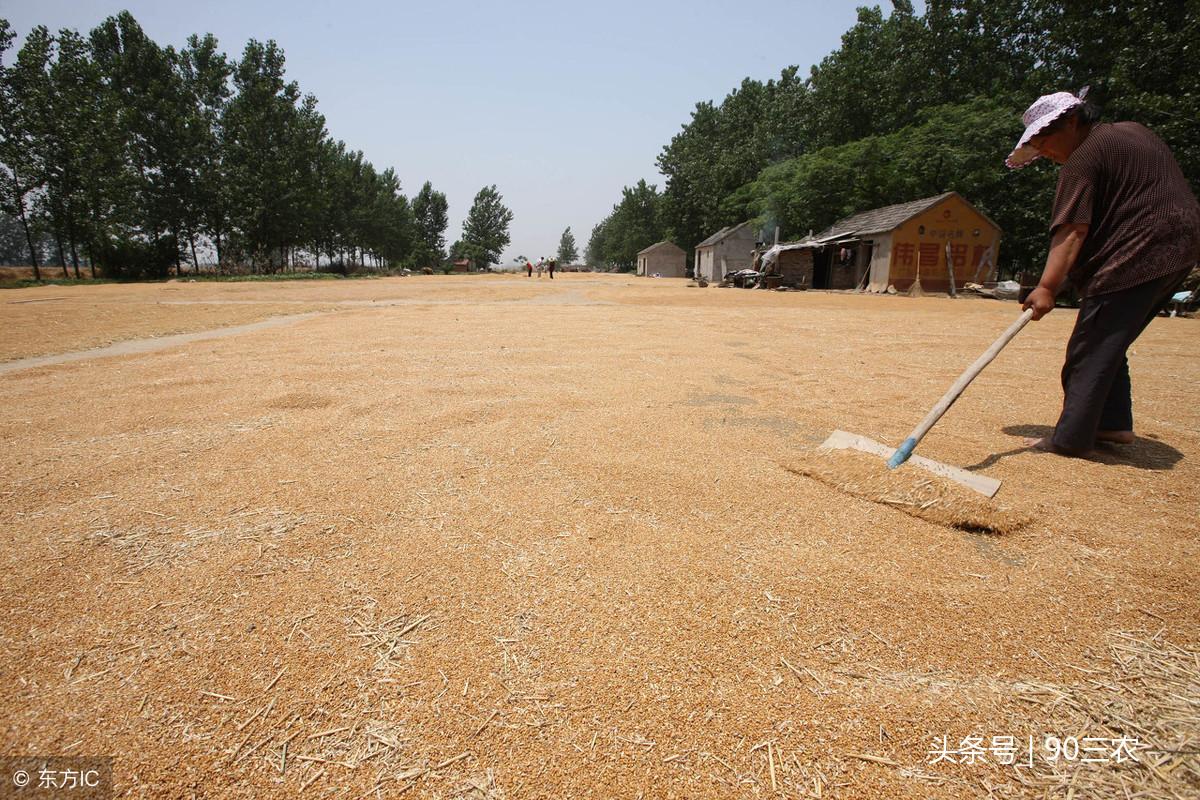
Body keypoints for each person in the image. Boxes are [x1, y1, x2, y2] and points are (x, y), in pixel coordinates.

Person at [1006, 91, 1200, 456]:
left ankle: (1070, 439)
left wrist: (1047, 287)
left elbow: (1072, 230)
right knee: (1109, 340)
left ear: (1072, 121)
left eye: (1045, 140)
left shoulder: (1083, 158)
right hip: (1182, 247)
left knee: (1089, 347)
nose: (1044, 152)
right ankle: (1112, 425)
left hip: (1138, 250)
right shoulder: (1134, 132)